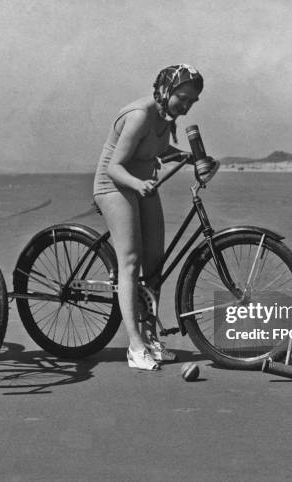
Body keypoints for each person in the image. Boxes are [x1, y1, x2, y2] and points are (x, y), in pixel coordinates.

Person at [93, 64, 206, 370]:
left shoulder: (165, 118)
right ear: (166, 90)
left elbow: (152, 148)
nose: (186, 106)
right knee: (130, 261)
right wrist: (138, 184)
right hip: (115, 184)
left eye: (192, 102)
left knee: (154, 262)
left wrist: (184, 155)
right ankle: (134, 346)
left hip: (141, 185)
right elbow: (114, 167)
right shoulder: (140, 115)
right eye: (183, 98)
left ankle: (151, 337)